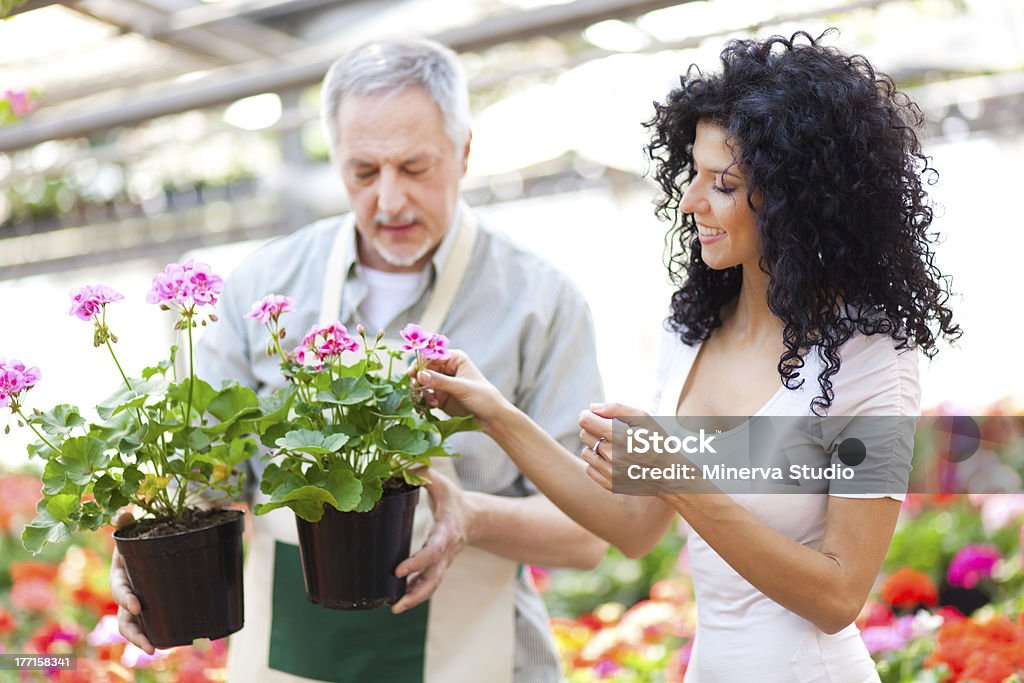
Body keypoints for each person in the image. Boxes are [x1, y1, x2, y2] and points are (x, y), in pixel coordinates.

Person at [414, 31, 961, 682]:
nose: (691, 200)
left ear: (797, 203)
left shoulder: (871, 359)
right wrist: (496, 415)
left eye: (723, 184)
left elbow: (838, 595)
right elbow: (634, 525)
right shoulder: (692, 331)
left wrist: (677, 472)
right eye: (693, 172)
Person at [110, 38, 608, 683]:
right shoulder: (263, 282)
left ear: (463, 152)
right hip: (292, 650)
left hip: (481, 655)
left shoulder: (541, 301)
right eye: (364, 173)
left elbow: (587, 536)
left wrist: (471, 516)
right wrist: (146, 543)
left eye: (415, 168)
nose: (391, 201)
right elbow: (209, 481)